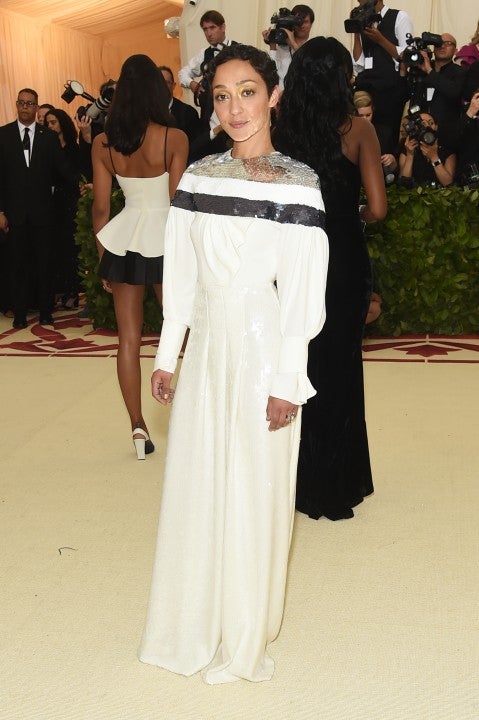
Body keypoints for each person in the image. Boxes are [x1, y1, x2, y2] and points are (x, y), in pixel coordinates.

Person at [139, 44, 329, 683]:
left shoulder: (300, 183)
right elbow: (181, 276)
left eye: (248, 92)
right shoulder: (197, 177)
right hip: (206, 353)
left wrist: (288, 379)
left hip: (262, 348)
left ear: (274, 95)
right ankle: (192, 623)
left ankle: (244, 635)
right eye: (221, 96)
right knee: (198, 481)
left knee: (254, 490)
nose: (235, 108)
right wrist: (168, 355)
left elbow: (302, 296)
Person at [275, 36, 387, 520]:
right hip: (342, 256)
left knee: (296, 361)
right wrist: (351, 213)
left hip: (292, 256)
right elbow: (378, 208)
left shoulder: (279, 131)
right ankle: (338, 483)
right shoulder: (358, 129)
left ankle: (295, 481)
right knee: (341, 367)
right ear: (340, 78)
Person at [91, 55, 188, 459]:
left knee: (127, 339)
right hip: (167, 239)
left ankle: (137, 426)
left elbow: (100, 209)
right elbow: (179, 205)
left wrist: (104, 258)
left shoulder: (103, 143)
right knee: (183, 332)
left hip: (125, 239)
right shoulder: (173, 138)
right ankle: (191, 419)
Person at [0, 88, 77, 328]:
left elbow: (64, 170)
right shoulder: (3, 135)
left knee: (45, 264)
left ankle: (45, 311)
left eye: (30, 103)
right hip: (14, 215)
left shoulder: (48, 137)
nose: (25, 107)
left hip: (44, 214)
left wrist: (84, 183)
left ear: (36, 108)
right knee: (18, 266)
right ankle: (20, 314)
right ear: (16, 105)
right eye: (22, 102)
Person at [352, 0, 413, 147]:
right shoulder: (364, 19)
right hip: (367, 86)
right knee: (361, 134)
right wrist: (356, 31)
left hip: (390, 89)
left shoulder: (399, 17)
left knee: (386, 137)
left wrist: (380, 39)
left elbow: (408, 55)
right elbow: (359, 63)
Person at [44, 108, 81, 309]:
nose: (50, 126)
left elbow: (75, 175)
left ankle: (72, 292)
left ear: (62, 123)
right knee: (56, 249)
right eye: (47, 123)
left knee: (70, 249)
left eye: (53, 122)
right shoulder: (46, 149)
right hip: (52, 204)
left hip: (71, 203)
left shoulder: (73, 148)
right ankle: (59, 291)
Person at [407, 33, 465, 148]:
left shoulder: (460, 72)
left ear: (455, 50)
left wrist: (429, 71)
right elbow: (406, 94)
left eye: (448, 43)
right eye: (439, 43)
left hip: (446, 136)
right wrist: (404, 69)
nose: (442, 46)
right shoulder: (419, 69)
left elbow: (454, 92)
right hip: (419, 134)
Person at [398, 111, 456, 187]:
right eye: (422, 124)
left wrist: (434, 157)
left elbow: (449, 184)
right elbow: (403, 185)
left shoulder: (446, 150)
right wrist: (410, 155)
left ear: (436, 127)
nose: (427, 127)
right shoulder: (409, 149)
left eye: (431, 123)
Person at [262, 4, 315, 89]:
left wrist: (294, 44)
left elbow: (312, 68)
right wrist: (272, 45)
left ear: (311, 24)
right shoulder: (281, 47)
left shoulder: (315, 46)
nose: (301, 25)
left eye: (305, 22)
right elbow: (270, 72)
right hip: (281, 94)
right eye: (298, 22)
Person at [353, 89, 397, 180]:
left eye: (368, 115)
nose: (365, 120)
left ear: (373, 111)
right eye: (361, 116)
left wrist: (392, 161)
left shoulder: (385, 134)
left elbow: (393, 172)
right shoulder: (345, 136)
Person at [158, 65, 202, 144]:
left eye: (167, 82)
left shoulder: (189, 113)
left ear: (173, 86)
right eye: (159, 83)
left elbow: (195, 146)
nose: (162, 86)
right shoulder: (146, 114)